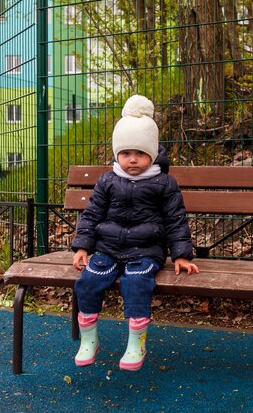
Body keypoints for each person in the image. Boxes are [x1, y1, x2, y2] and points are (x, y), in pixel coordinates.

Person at [71, 94, 199, 371]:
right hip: (108, 248)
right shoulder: (108, 180)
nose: (132, 160)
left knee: (137, 282)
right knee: (89, 281)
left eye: (140, 153)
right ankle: (89, 339)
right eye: (126, 153)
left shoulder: (164, 183)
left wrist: (181, 255)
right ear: (117, 153)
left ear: (152, 154)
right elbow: (92, 214)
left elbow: (175, 219)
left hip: (146, 251)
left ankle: (135, 343)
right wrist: (83, 246)